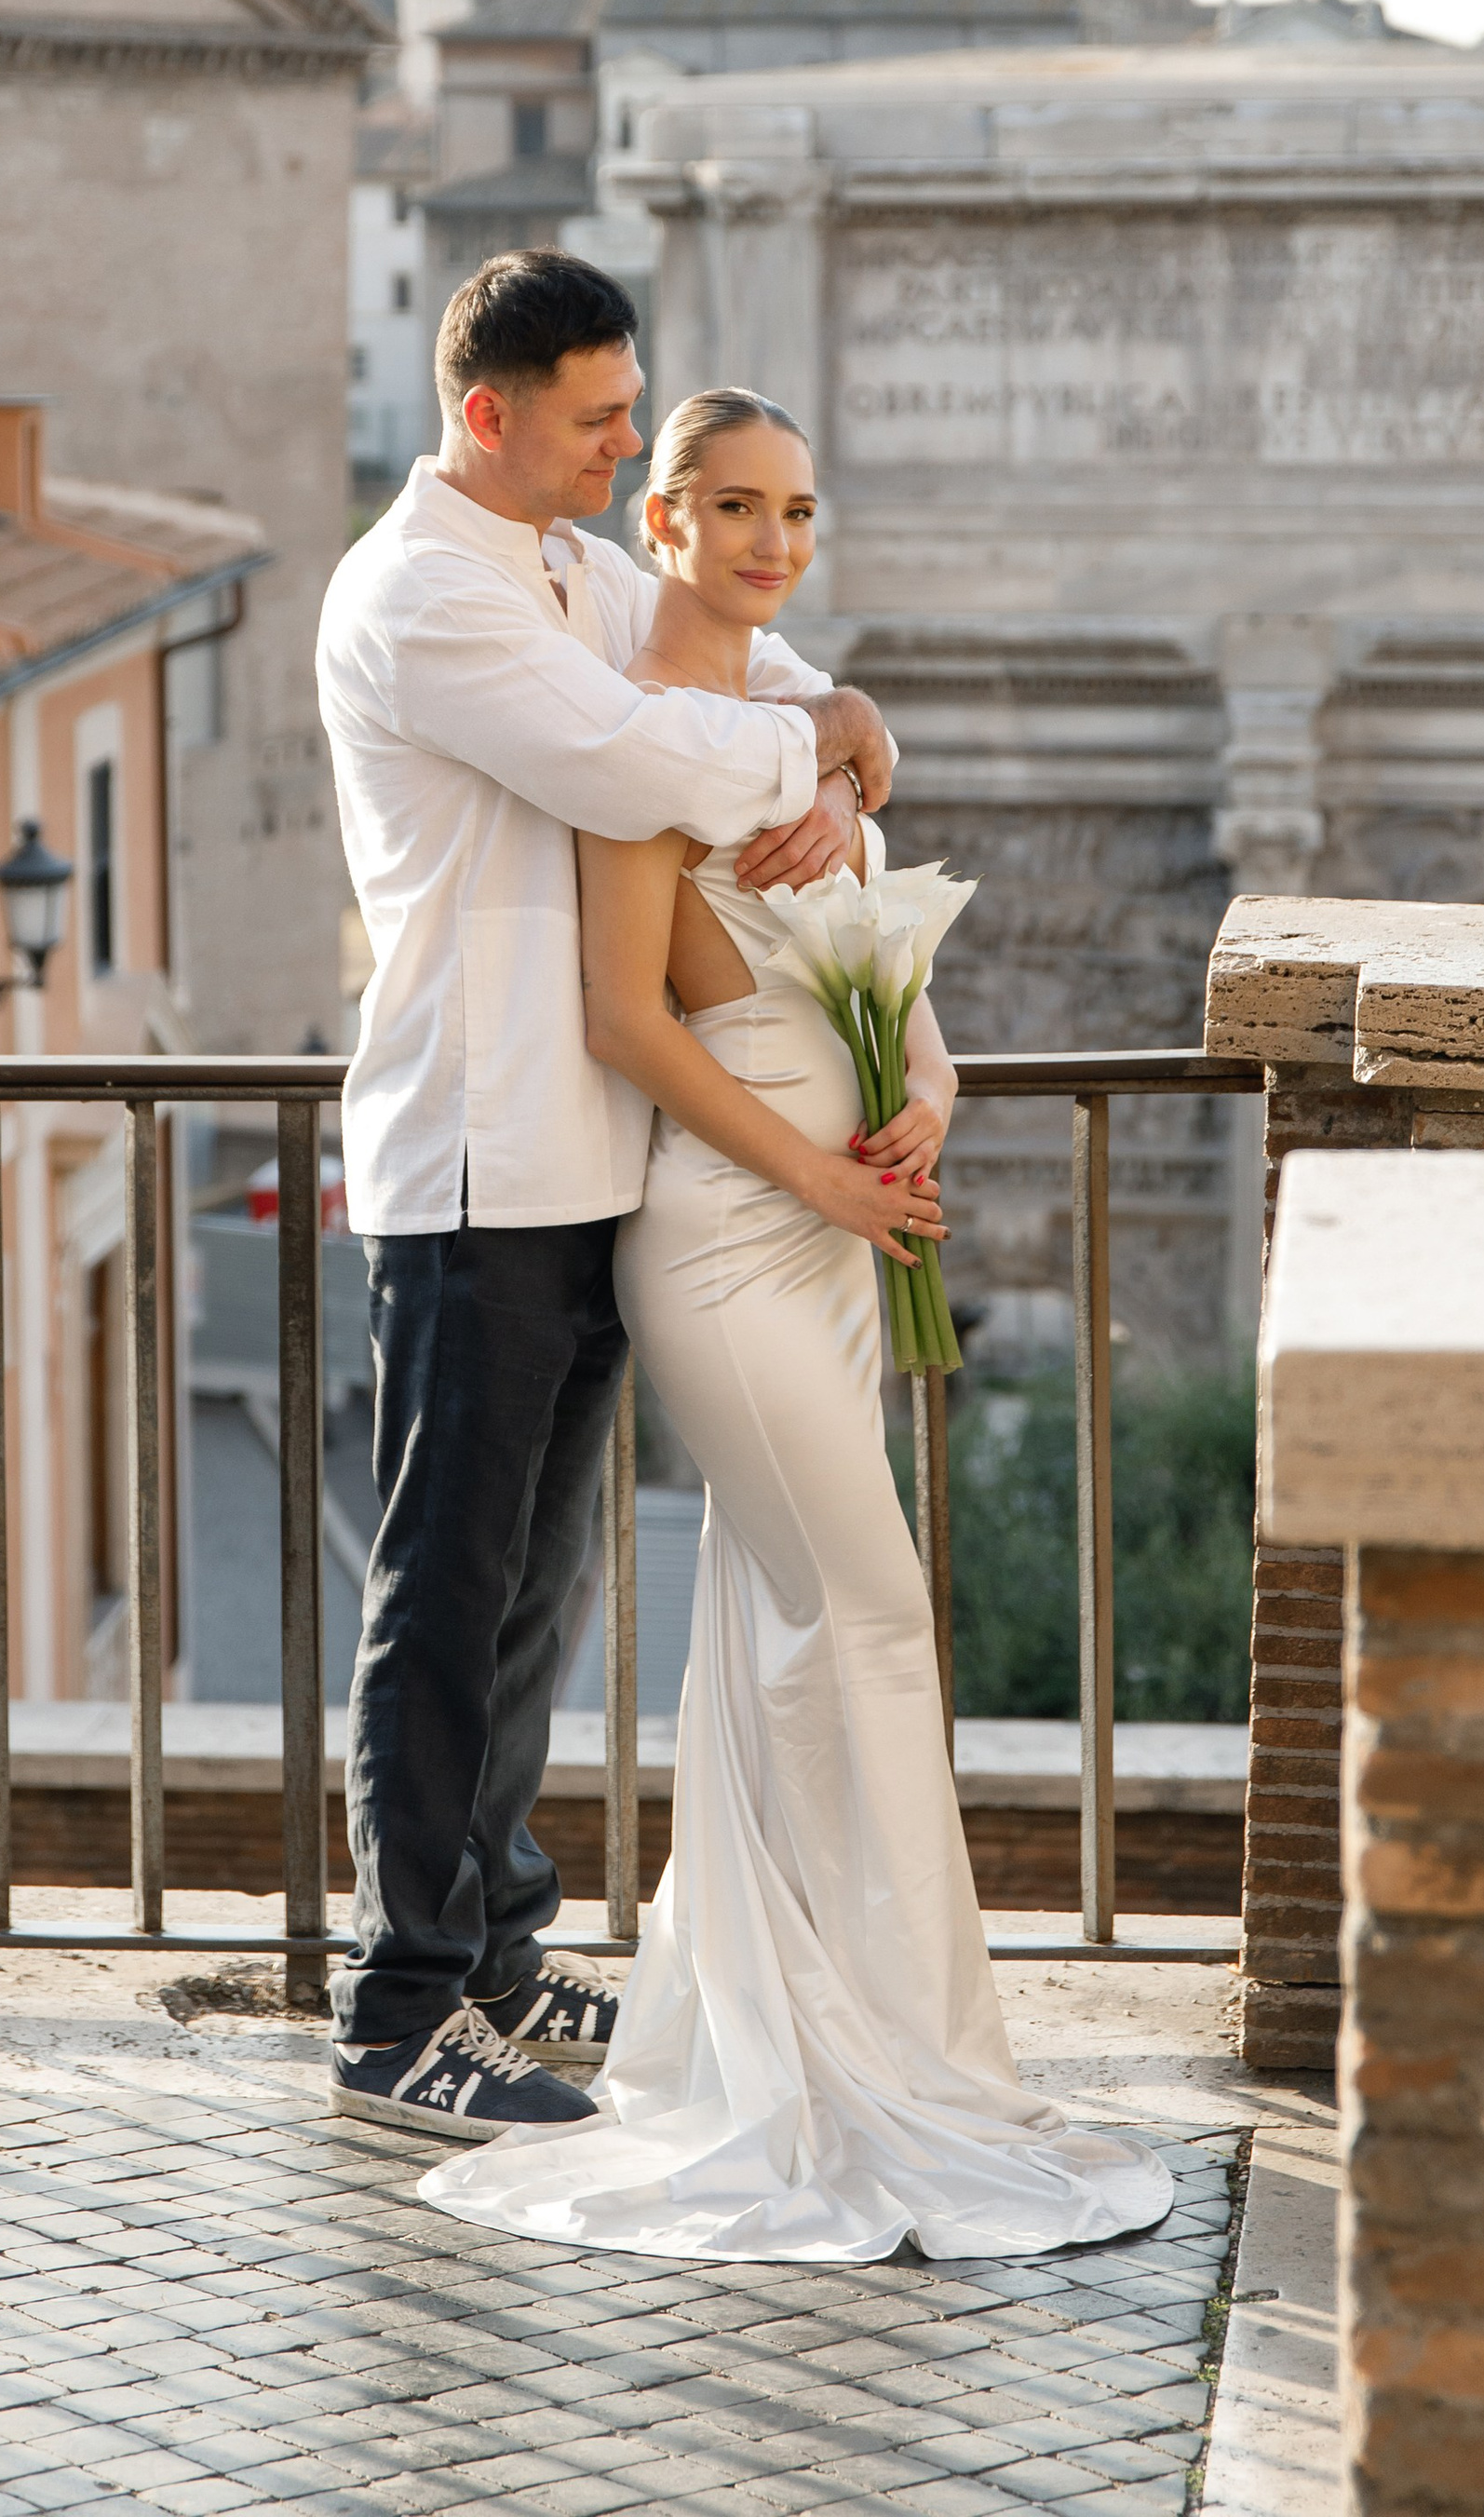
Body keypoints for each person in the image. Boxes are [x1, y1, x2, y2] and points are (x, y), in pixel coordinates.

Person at [420, 389, 1170, 2260]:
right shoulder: (631, 742)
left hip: (843, 1237)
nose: (769, 541)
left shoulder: (799, 726)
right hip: (737, 1244)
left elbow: (881, 978)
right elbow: (627, 1021)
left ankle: (809, 2050)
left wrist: (928, 1104)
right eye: (731, 508)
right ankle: (900, 2067)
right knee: (873, 1614)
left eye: (797, 511)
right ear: (656, 522)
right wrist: (823, 1177)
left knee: (779, 1640)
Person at [317, 255, 901, 2139]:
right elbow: (636, 749)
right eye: (593, 420)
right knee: (444, 1589)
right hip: (477, 1154)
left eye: (631, 412)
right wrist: (796, 737)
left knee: (537, 1597)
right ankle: (398, 2016)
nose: (625, 445)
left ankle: (494, 1949)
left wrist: (846, 712)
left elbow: (747, 659)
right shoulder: (421, 597)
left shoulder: (569, 563)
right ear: (484, 416)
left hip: (595, 1156)